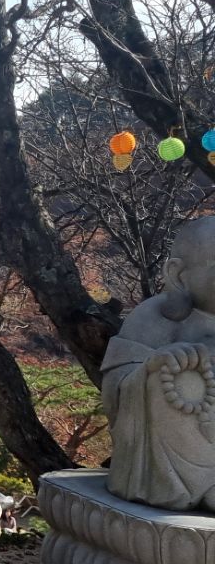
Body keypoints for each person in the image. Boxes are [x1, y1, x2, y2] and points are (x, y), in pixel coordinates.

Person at [101, 215, 215, 511]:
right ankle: (189, 485)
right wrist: (153, 366)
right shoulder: (153, 317)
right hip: (175, 448)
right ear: (179, 275)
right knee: (175, 378)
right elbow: (114, 389)